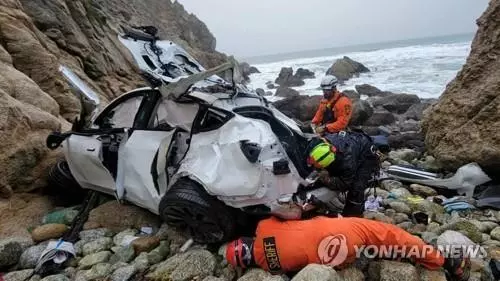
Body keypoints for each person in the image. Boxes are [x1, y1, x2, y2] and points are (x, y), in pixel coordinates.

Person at [220, 216, 471, 281]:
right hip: (342, 232)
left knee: (371, 249)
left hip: (340, 258)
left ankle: (378, 253)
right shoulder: (264, 227)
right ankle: (444, 262)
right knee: (392, 235)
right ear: (247, 241)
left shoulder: (269, 266)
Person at [305, 130, 380, 217]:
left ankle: (351, 216)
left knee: (356, 187)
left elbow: (344, 183)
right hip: (351, 142)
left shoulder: (347, 163)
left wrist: (326, 179)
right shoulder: (320, 143)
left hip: (365, 152)